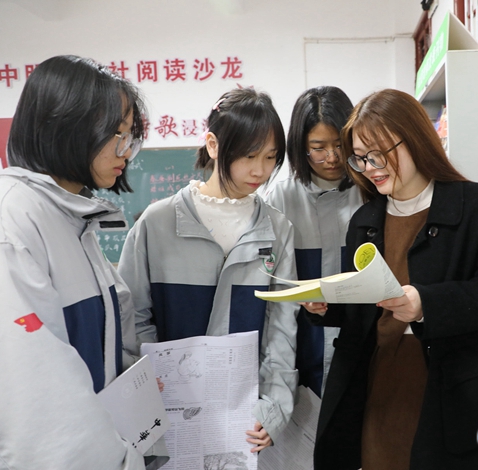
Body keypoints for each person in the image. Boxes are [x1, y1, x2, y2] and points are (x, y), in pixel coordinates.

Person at [303, 89, 478, 469]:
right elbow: (367, 306)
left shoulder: (475, 206)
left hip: (451, 388)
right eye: (361, 157)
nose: (370, 167)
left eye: (378, 154)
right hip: (379, 381)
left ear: (415, 139)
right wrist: (326, 305)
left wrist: (425, 305)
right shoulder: (365, 221)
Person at [118, 88, 298, 452]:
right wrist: (150, 384)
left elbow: (281, 329)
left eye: (270, 157)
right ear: (213, 145)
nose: (260, 170)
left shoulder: (277, 229)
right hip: (168, 414)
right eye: (249, 155)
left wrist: (274, 408)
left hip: (243, 418)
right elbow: (132, 316)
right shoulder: (157, 222)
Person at [0, 55, 147, 469]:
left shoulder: (71, 216)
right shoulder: (15, 218)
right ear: (66, 125)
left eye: (130, 136)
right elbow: (42, 399)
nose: (126, 150)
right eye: (117, 133)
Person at [265, 86, 362, 397]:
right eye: (318, 148)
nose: (332, 158)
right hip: (301, 350)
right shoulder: (280, 198)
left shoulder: (370, 191)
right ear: (300, 146)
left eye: (340, 145)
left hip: (360, 348)